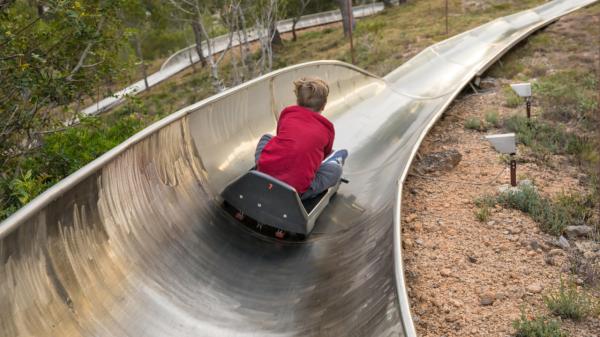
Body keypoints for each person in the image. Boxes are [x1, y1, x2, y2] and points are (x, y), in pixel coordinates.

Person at [254, 77, 348, 200]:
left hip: (264, 176)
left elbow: (279, 137)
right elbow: (323, 156)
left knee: (267, 137)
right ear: (323, 106)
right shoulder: (327, 128)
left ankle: (261, 168)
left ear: (297, 101)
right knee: (335, 170)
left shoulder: (287, 113)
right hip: (294, 191)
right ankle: (337, 159)